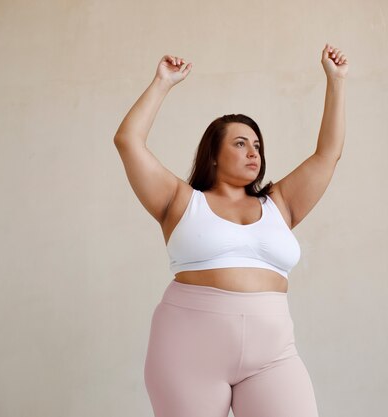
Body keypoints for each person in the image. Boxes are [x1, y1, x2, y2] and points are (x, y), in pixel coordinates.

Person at [113, 43, 348, 417]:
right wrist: (162, 83)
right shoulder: (179, 201)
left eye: (257, 145)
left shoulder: (280, 204)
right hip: (188, 351)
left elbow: (328, 154)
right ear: (213, 154)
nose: (254, 152)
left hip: (272, 354)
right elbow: (128, 141)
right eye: (241, 144)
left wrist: (335, 82)